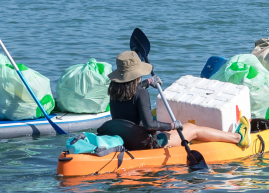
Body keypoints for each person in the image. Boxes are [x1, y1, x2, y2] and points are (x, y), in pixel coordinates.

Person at [97, 51, 247, 150]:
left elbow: (130, 93)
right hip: (145, 144)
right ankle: (238, 137)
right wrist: (172, 125)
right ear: (137, 74)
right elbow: (150, 125)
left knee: (160, 122)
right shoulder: (140, 94)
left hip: (126, 139)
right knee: (192, 129)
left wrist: (148, 82)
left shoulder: (114, 91)